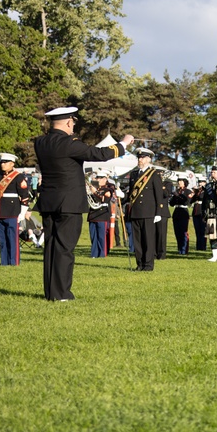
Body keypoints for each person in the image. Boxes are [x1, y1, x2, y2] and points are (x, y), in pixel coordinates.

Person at [33, 106, 134, 300]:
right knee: (64, 248)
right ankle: (62, 293)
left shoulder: (41, 143)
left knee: (52, 246)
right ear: (69, 122)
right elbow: (99, 154)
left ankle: (51, 292)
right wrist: (123, 144)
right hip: (68, 202)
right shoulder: (69, 143)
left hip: (49, 200)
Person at [87, 171, 114, 258]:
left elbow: (104, 199)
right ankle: (94, 253)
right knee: (93, 236)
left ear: (105, 179)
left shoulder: (107, 188)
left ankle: (102, 253)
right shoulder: (94, 187)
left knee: (102, 236)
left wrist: (95, 192)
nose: (98, 179)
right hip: (93, 214)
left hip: (102, 214)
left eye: (100, 178)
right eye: (97, 177)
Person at [169, 177, 194, 255]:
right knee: (177, 232)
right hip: (176, 212)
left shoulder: (188, 191)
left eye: (181, 181)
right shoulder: (177, 191)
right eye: (179, 181)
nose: (179, 183)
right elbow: (172, 204)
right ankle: (179, 248)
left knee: (183, 232)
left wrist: (178, 196)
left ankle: (184, 249)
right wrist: (174, 196)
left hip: (183, 212)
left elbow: (187, 202)